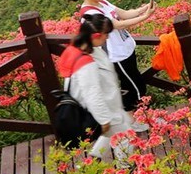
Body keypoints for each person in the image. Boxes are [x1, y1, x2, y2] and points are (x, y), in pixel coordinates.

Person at [69, 0, 153, 122]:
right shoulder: (90, 13)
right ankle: (137, 121)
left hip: (125, 49)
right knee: (136, 88)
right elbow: (116, 25)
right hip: (116, 56)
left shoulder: (103, 3)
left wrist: (144, 9)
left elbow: (124, 14)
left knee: (133, 83)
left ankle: (132, 121)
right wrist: (145, 17)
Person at [57, 14, 134, 163]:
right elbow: (92, 94)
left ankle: (92, 161)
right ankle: (126, 171)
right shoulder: (86, 62)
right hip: (102, 109)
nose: (107, 38)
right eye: (106, 34)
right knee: (125, 136)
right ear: (97, 35)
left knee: (112, 132)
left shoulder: (81, 48)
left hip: (108, 105)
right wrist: (104, 120)